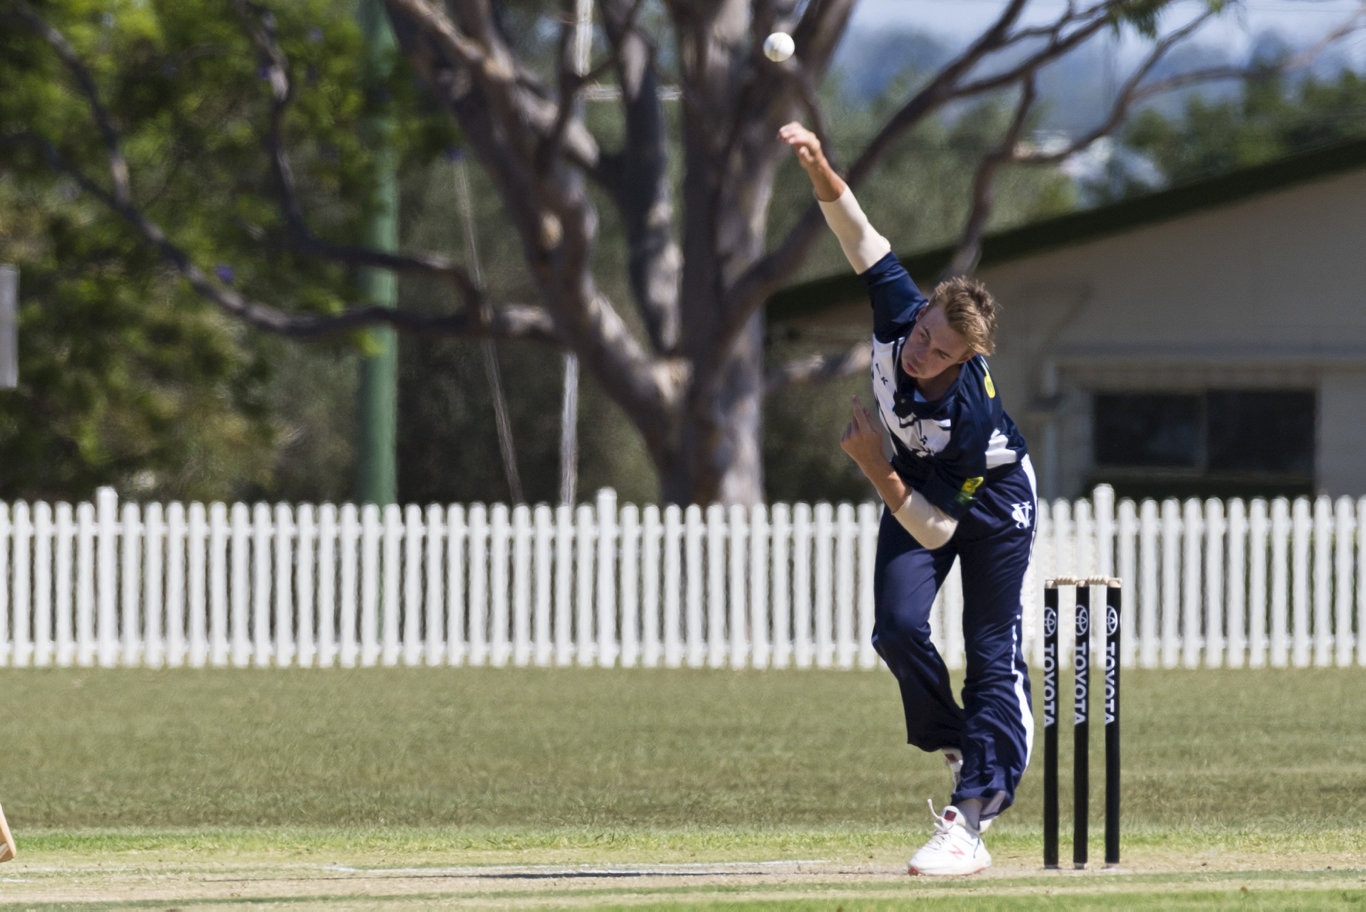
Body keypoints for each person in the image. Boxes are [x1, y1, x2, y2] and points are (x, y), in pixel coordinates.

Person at [779, 121, 1038, 877]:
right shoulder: (901, 313)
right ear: (921, 313)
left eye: (942, 355)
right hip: (913, 489)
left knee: (992, 655)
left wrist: (872, 467)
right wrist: (820, 165)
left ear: (965, 360)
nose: (923, 356)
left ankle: (975, 815)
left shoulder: (970, 413)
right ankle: (961, 743)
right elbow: (855, 230)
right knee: (895, 629)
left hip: (988, 504)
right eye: (924, 337)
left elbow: (935, 532)